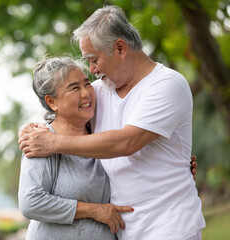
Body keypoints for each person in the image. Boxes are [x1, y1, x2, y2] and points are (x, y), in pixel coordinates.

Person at [18, 5, 205, 240]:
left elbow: (127, 142)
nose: (93, 70)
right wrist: (28, 130)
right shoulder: (99, 91)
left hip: (169, 225)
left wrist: (52, 143)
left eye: (94, 59)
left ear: (119, 48)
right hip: (126, 232)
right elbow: (64, 108)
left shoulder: (167, 84)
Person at [18, 56, 133, 240]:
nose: (86, 93)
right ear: (52, 102)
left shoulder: (101, 130)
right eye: (74, 88)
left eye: (87, 84)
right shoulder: (41, 142)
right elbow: (30, 202)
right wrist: (94, 210)